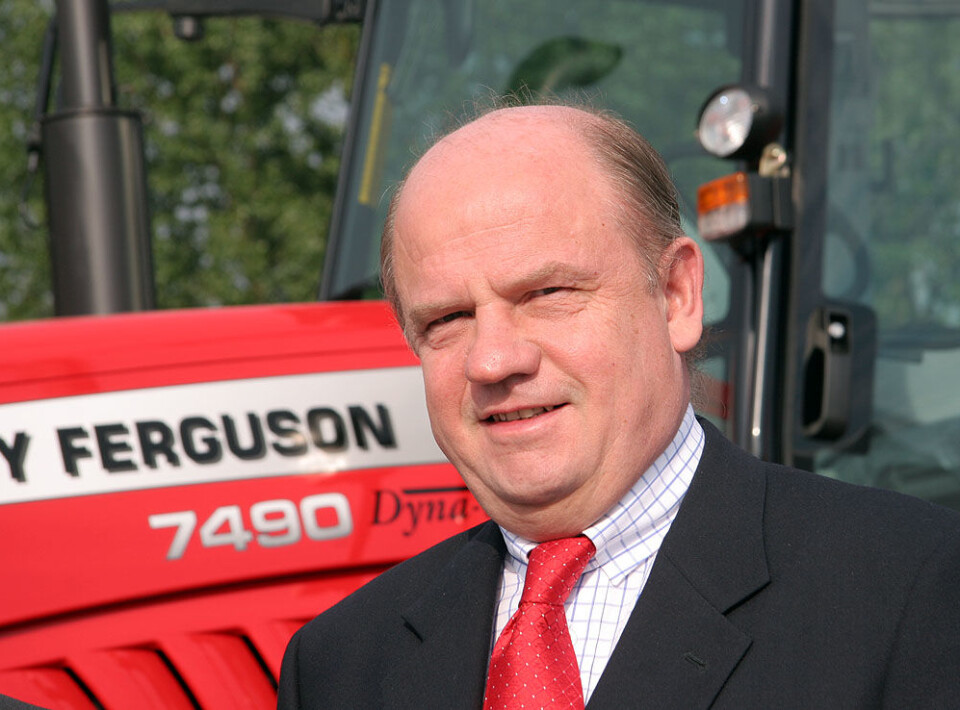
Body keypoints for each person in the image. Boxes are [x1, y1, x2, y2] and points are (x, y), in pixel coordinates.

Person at [278, 103, 960, 709]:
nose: (493, 359)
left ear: (676, 297)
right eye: (448, 318)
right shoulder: (340, 667)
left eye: (547, 293)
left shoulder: (911, 592)